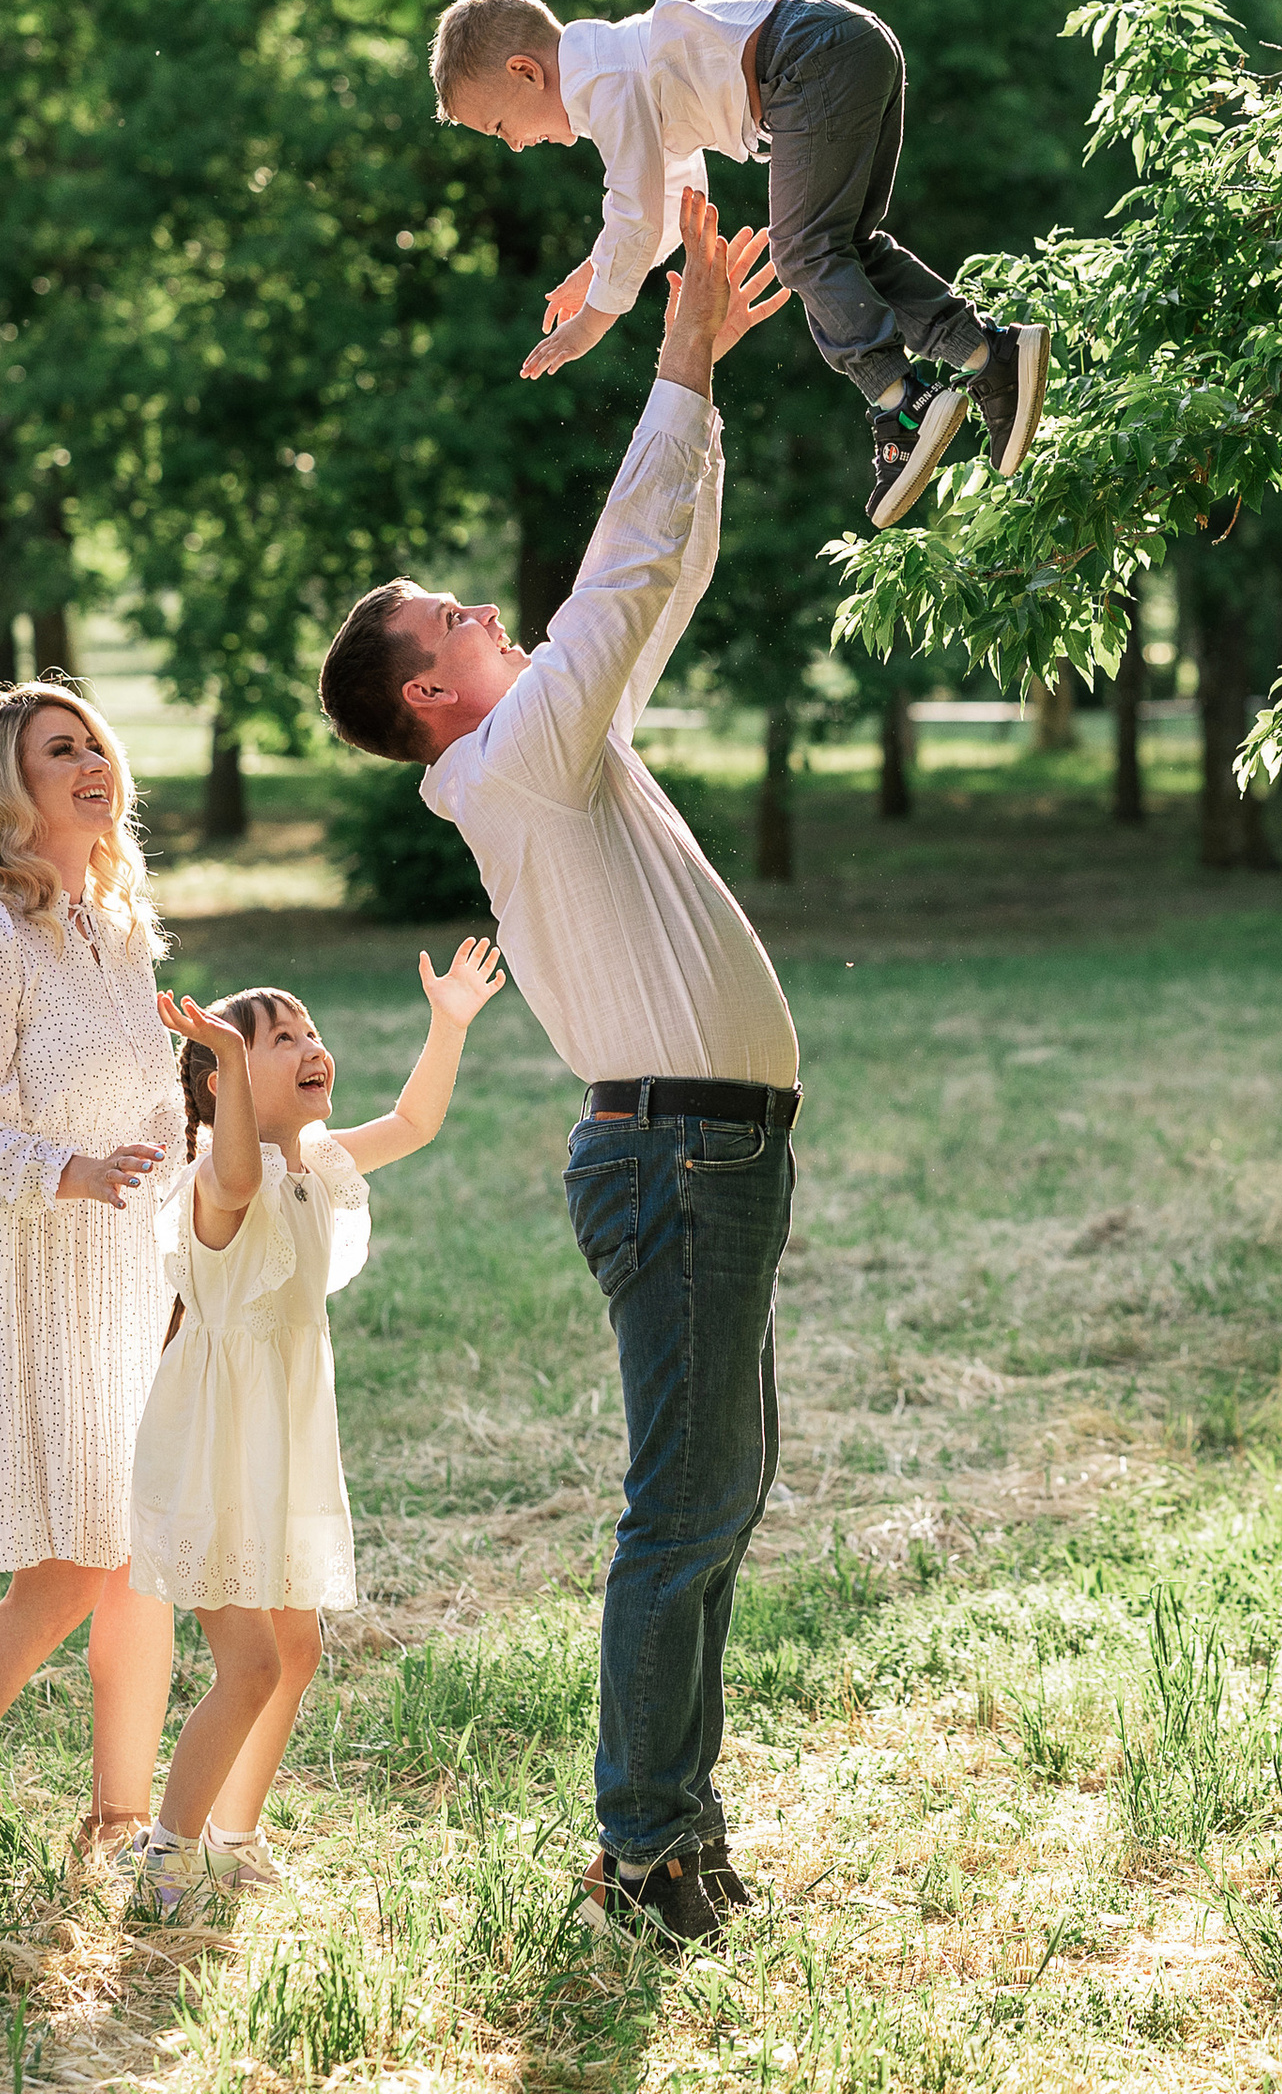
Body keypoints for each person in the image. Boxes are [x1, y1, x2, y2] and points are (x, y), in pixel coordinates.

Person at [315, 194, 797, 1947]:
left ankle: (677, 1830)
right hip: (678, 1159)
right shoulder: (512, 761)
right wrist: (672, 362)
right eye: (453, 616)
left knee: (720, 1500)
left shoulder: (545, 748)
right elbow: (607, 593)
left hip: (710, 1152)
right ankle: (642, 1853)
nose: (487, 608)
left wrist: (703, 393)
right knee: (684, 1510)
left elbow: (653, 587)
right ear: (430, 698)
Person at [130, 946, 508, 1909]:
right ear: (222, 1085)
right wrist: (223, 1051)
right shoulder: (221, 1181)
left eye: (311, 1031)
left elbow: (414, 1122)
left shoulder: (318, 1164)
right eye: (279, 1039)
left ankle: (233, 1838)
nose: (311, 1047)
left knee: (296, 1653)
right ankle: (167, 1858)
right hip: (216, 1458)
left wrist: (450, 1022)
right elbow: (237, 1176)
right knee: (251, 1665)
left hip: (284, 1451)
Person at [428, 0, 1050, 533]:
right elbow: (664, 193)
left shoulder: (601, 78)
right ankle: (987, 353)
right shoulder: (616, 67)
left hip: (809, 58)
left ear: (525, 72)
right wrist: (597, 271)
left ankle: (901, 401)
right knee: (842, 249)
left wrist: (594, 320)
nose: (514, 146)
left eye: (500, 128)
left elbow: (634, 212)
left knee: (802, 252)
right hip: (847, 43)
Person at [0, 681, 185, 1860]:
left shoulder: (120, 931)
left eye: (96, 745)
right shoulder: (2, 937)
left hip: (132, 1277)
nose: (90, 765)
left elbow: (163, 1113)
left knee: (138, 1558)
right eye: (58, 750)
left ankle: (120, 1821)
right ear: (11, 790)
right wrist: (62, 1169)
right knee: (72, 1561)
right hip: (34, 1276)